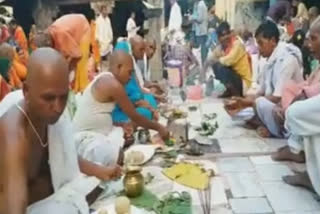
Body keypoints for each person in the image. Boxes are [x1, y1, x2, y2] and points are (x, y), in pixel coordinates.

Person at [0, 48, 121, 214]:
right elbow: (15, 201)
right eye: (48, 98)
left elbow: (66, 155)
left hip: (51, 201)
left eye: (63, 97)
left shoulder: (49, 117)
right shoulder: (13, 132)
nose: (57, 107)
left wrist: (100, 171)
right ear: (26, 92)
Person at [73, 51, 169, 165]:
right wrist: (159, 128)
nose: (130, 77)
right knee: (120, 157)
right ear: (119, 67)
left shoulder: (108, 79)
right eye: (129, 72)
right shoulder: (112, 84)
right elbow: (134, 116)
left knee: (126, 136)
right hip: (85, 140)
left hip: (102, 134)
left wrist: (119, 125)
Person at [225, 20, 304, 138]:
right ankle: (263, 123)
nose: (259, 48)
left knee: (259, 103)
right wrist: (240, 101)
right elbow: (260, 92)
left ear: (272, 41)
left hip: (286, 110)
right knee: (236, 112)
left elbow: (278, 98)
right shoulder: (269, 61)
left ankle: (276, 131)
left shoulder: (287, 59)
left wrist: (248, 102)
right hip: (271, 107)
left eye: (261, 44)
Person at [272, 17, 320, 166]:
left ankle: (296, 150)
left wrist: (303, 94)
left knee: (298, 112)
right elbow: (308, 84)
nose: (309, 45)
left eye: (313, 39)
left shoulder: (288, 60)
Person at [35, 14, 91, 93]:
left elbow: (78, 55)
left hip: (82, 27)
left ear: (49, 41)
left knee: (81, 66)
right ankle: (74, 87)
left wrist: (67, 71)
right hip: (71, 30)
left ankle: (83, 90)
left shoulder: (61, 34)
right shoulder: (48, 35)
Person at [112, 36, 159, 124]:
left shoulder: (131, 63)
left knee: (150, 99)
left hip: (134, 101)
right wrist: (142, 104)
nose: (143, 52)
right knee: (145, 113)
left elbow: (136, 84)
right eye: (141, 49)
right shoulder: (115, 79)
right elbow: (124, 101)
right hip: (122, 111)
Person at [203, 22, 252, 97]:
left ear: (230, 34)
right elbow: (209, 59)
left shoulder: (237, 44)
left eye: (227, 34)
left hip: (243, 82)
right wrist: (203, 72)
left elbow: (229, 60)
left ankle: (236, 95)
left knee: (220, 66)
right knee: (215, 65)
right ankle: (230, 91)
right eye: (223, 35)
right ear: (219, 38)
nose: (226, 37)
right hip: (235, 79)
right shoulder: (220, 48)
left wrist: (216, 60)